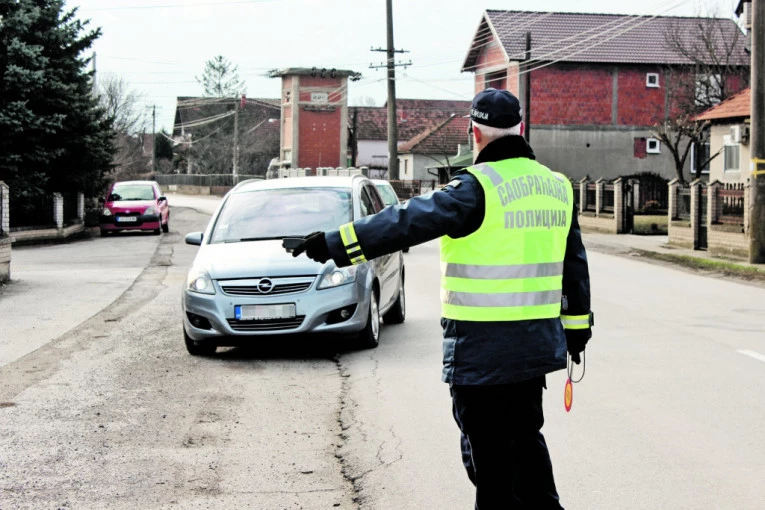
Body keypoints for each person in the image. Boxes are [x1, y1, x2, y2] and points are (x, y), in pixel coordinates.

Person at [288, 88, 593, 509]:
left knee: (489, 465)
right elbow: (574, 266)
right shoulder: (557, 186)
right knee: (525, 445)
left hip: (481, 353)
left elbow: (406, 221)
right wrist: (577, 332)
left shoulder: (476, 188)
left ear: (475, 133)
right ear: (521, 129)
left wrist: (335, 243)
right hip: (535, 350)